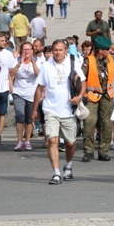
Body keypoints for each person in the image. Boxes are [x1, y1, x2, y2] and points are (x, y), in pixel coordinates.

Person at [32, 40, 86, 185]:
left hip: (68, 110)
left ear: (66, 50)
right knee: (52, 140)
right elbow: (39, 88)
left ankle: (68, 164)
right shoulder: (46, 66)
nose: (57, 53)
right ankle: (56, 173)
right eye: (55, 50)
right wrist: (35, 109)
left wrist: (79, 96)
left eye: (60, 50)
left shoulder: (72, 63)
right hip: (50, 109)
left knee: (70, 143)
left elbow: (83, 81)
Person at [81, 36, 114, 162]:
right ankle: (88, 151)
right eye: (107, 50)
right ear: (100, 50)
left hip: (108, 96)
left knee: (106, 124)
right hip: (92, 96)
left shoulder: (112, 59)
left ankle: (103, 150)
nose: (109, 52)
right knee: (89, 122)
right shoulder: (88, 61)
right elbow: (80, 77)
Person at [0, 33, 18, 146]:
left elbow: (11, 72)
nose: (4, 42)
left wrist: (18, 64)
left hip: (3, 87)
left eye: (5, 40)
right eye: (2, 40)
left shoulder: (8, 54)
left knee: (2, 113)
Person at [11, 42, 40, 151]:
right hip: (18, 92)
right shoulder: (17, 60)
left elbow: (39, 74)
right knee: (19, 116)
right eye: (24, 49)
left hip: (32, 94)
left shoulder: (37, 61)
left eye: (29, 49)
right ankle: (19, 141)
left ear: (32, 51)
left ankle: (27, 141)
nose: (26, 52)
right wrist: (20, 63)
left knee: (29, 118)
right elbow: (11, 74)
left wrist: (32, 62)